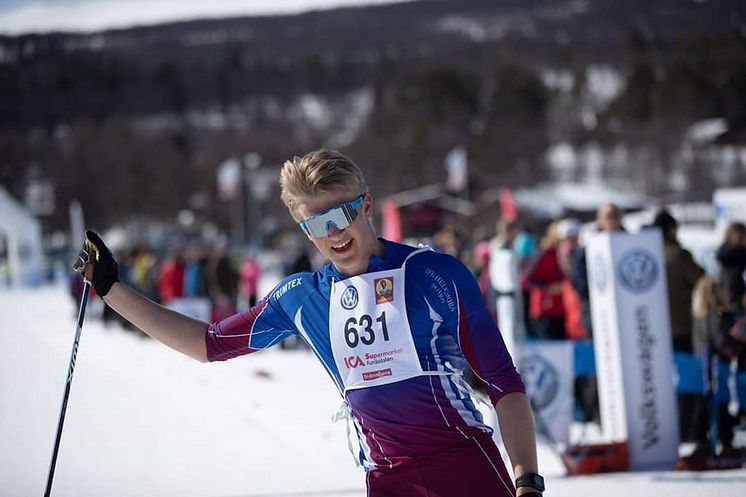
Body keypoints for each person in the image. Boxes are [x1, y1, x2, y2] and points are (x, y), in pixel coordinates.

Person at [74, 149, 543, 497]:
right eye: (316, 223)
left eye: (341, 213)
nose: (334, 232)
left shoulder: (433, 274)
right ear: (303, 230)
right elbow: (207, 343)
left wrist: (528, 481)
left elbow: (501, 380)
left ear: (366, 206)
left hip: (463, 467)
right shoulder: (302, 297)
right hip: (387, 480)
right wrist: (112, 290)